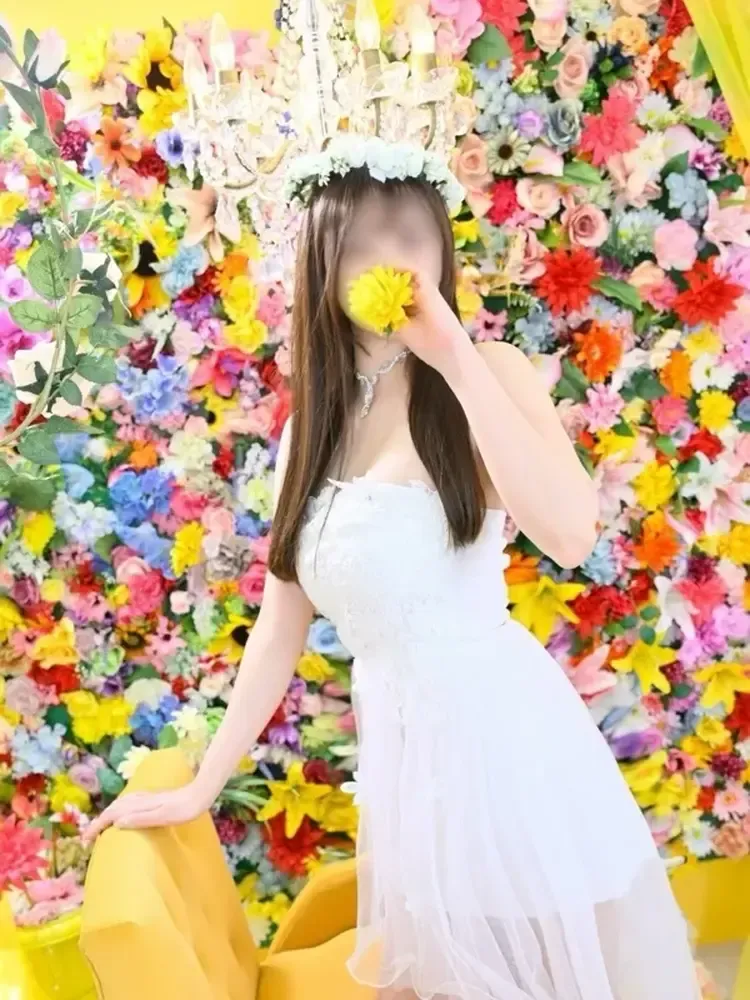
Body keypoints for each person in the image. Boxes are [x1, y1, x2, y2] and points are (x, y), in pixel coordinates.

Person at [86, 150, 699, 999]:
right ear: (323, 264)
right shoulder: (314, 424)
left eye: (410, 237)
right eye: (361, 242)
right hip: (410, 769)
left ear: (442, 253)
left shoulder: (487, 373)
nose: (391, 261)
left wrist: (455, 358)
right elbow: (281, 622)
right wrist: (203, 786)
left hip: (503, 748)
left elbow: (568, 534)